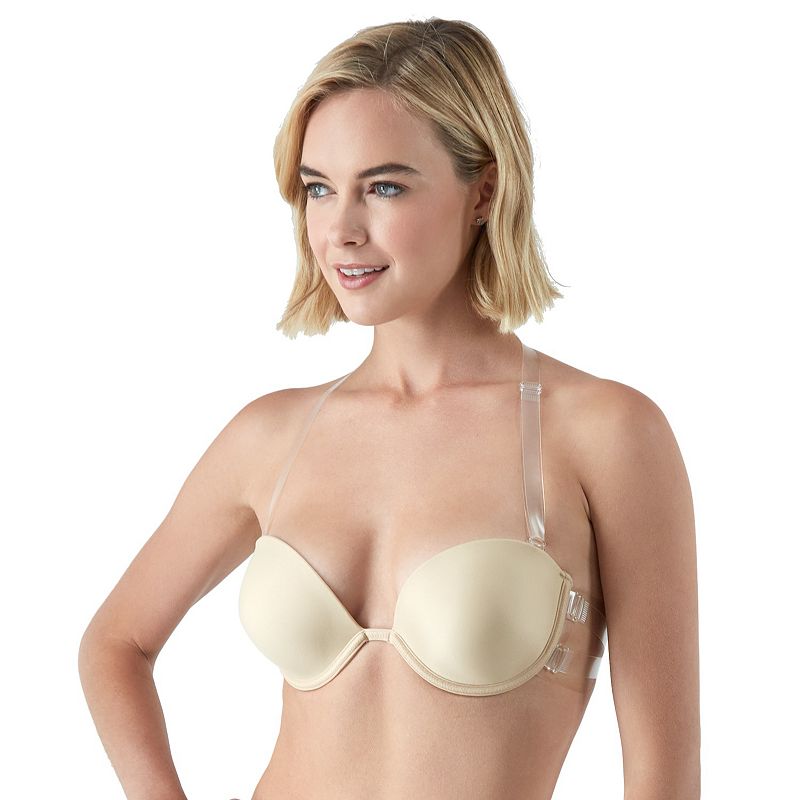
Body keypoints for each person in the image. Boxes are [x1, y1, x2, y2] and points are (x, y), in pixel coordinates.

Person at [78, 17, 700, 800]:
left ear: (485, 191)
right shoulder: (271, 436)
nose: (340, 230)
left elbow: (665, 778)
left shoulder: (603, 434)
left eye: (384, 186)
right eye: (318, 188)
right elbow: (116, 643)